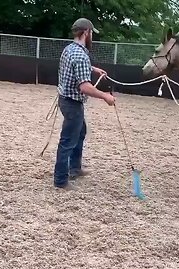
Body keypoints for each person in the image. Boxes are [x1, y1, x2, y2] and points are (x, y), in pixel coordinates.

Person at [53, 18, 116, 190]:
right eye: (91, 33)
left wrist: (93, 69)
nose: (92, 37)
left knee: (80, 132)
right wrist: (105, 96)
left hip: (66, 99)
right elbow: (85, 87)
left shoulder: (70, 49)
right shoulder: (80, 55)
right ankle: (60, 181)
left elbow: (76, 67)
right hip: (72, 103)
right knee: (68, 140)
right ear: (86, 32)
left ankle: (74, 168)